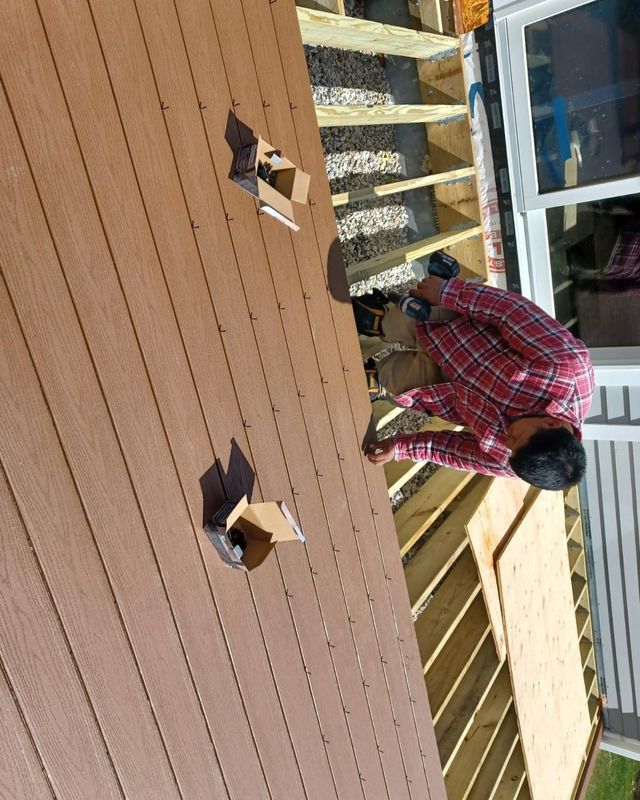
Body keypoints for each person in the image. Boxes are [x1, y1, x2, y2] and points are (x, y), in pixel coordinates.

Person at [356, 275, 594, 490]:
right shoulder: (566, 368)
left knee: (367, 382)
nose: (507, 441)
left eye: (510, 449)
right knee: (374, 318)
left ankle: (379, 377)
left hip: (440, 390)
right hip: (453, 330)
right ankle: (381, 318)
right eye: (517, 439)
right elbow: (510, 311)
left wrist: (400, 448)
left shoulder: (516, 460)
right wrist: (448, 292)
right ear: (552, 423)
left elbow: (454, 451)